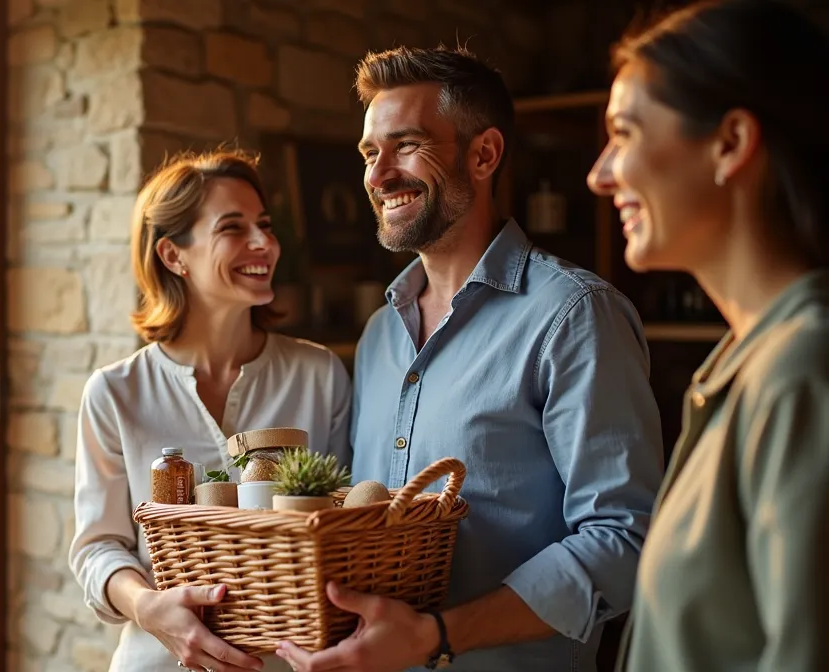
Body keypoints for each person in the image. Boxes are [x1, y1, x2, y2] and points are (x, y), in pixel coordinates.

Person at [276, 46, 666, 672]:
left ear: (483, 155)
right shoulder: (378, 336)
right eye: (370, 154)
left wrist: (436, 635)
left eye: (407, 145)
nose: (379, 176)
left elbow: (625, 538)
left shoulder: (573, 316)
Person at [584, 1, 829, 670]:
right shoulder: (746, 362)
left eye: (625, 133)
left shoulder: (801, 373)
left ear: (731, 143)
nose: (600, 175)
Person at [68, 148, 352, 672]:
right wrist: (148, 607)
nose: (264, 243)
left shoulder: (319, 375)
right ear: (173, 255)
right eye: (233, 228)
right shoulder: (114, 393)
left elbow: (339, 524)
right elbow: (98, 548)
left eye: (265, 225)